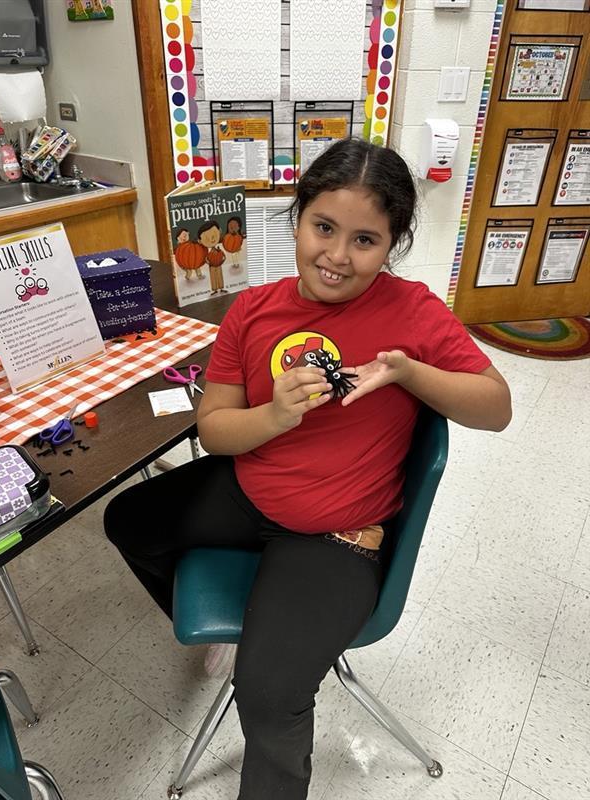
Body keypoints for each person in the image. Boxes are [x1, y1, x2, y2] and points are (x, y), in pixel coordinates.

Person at [104, 138, 511, 800]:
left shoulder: (411, 313)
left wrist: (411, 370)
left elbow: (496, 410)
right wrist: (273, 417)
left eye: (365, 240)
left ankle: (265, 644)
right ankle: (235, 623)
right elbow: (215, 430)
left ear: (392, 245)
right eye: (323, 227)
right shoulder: (252, 309)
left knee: (266, 695)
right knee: (130, 518)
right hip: (249, 492)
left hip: (337, 535)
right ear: (297, 218)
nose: (337, 255)